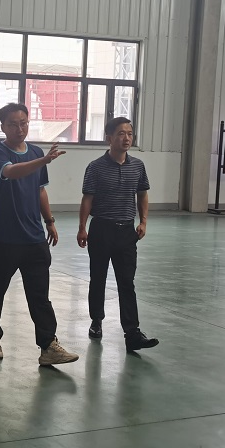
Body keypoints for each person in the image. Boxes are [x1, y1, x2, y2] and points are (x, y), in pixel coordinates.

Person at [0, 103, 79, 366]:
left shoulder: (35, 151)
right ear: (3, 127)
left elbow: (40, 190)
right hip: (3, 237)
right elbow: (11, 172)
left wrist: (50, 221)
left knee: (39, 294)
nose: (19, 128)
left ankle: (48, 345)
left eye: (23, 123)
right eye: (13, 124)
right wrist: (44, 160)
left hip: (34, 238)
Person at [78, 116, 159, 354]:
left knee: (127, 282)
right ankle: (96, 320)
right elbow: (87, 199)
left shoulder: (138, 166)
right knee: (98, 278)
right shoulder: (95, 167)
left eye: (130, 134)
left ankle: (132, 333)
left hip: (126, 232)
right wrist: (82, 227)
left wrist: (143, 221)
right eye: (121, 134)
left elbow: (142, 194)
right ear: (109, 138)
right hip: (101, 229)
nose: (126, 138)